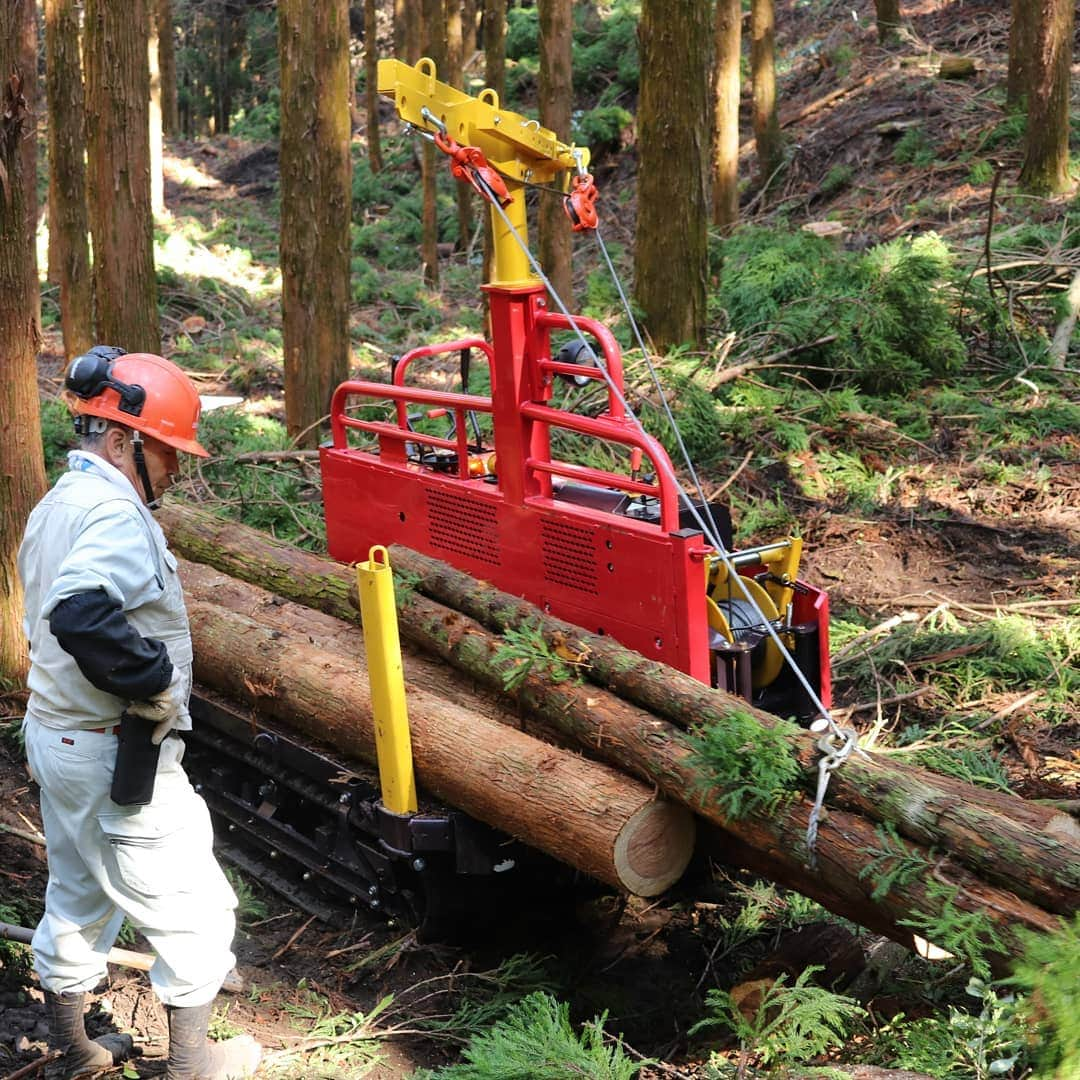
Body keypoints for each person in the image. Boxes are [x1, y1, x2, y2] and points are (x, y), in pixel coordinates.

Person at [18, 347, 261, 1080]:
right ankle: (192, 1066)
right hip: (111, 750)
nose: (179, 470)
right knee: (198, 911)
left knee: (79, 889)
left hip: (57, 735)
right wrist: (151, 679)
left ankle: (77, 1050)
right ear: (123, 441)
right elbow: (81, 613)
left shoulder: (59, 501)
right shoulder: (117, 517)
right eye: (169, 452)